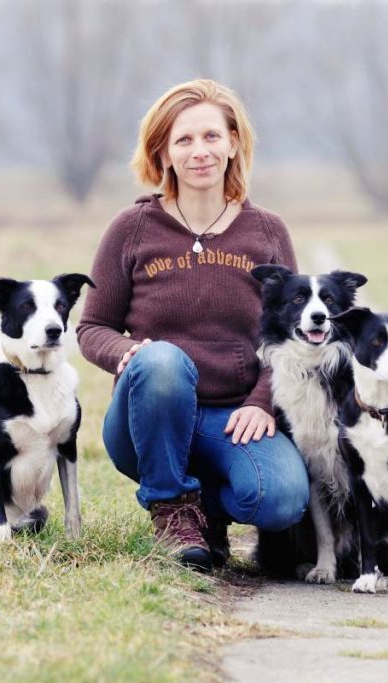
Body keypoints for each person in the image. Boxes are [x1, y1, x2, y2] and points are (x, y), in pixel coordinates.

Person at [76, 79, 309, 571]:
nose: (198, 151)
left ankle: (202, 511)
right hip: (149, 415)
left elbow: (291, 337)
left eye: (211, 137)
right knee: (162, 360)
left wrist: (263, 401)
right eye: (183, 140)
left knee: (283, 499)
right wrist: (126, 354)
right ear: (161, 152)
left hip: (233, 418)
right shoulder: (131, 228)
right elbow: (91, 327)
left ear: (233, 144)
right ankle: (171, 508)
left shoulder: (267, 232)